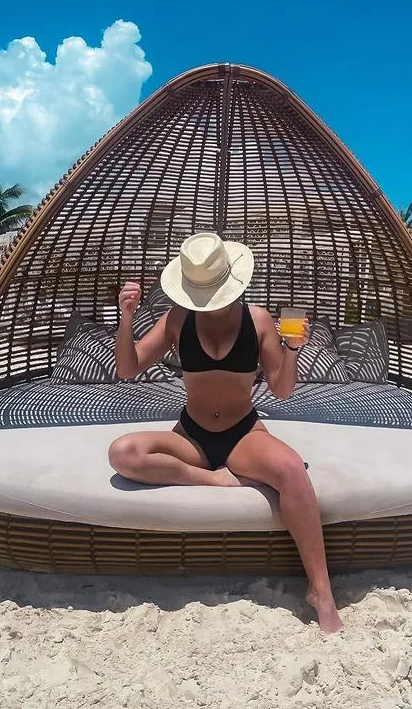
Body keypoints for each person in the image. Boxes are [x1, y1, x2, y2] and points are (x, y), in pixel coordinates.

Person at [108, 232, 343, 634]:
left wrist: (292, 349)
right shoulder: (178, 319)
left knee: (291, 470)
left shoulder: (259, 320)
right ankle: (215, 479)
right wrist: (126, 317)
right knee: (122, 453)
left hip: (241, 433)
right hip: (193, 434)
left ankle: (320, 591)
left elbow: (283, 390)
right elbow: (128, 369)